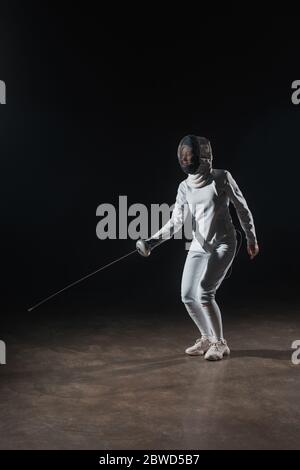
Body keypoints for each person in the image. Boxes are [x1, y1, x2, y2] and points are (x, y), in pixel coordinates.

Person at [136, 135, 259, 361]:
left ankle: (220, 343)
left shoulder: (222, 177)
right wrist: (152, 241)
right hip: (200, 244)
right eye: (184, 155)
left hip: (224, 243)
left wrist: (251, 239)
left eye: (190, 154)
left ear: (203, 155)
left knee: (204, 292)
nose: (186, 158)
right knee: (186, 295)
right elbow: (176, 222)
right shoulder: (184, 187)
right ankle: (206, 337)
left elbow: (242, 208)